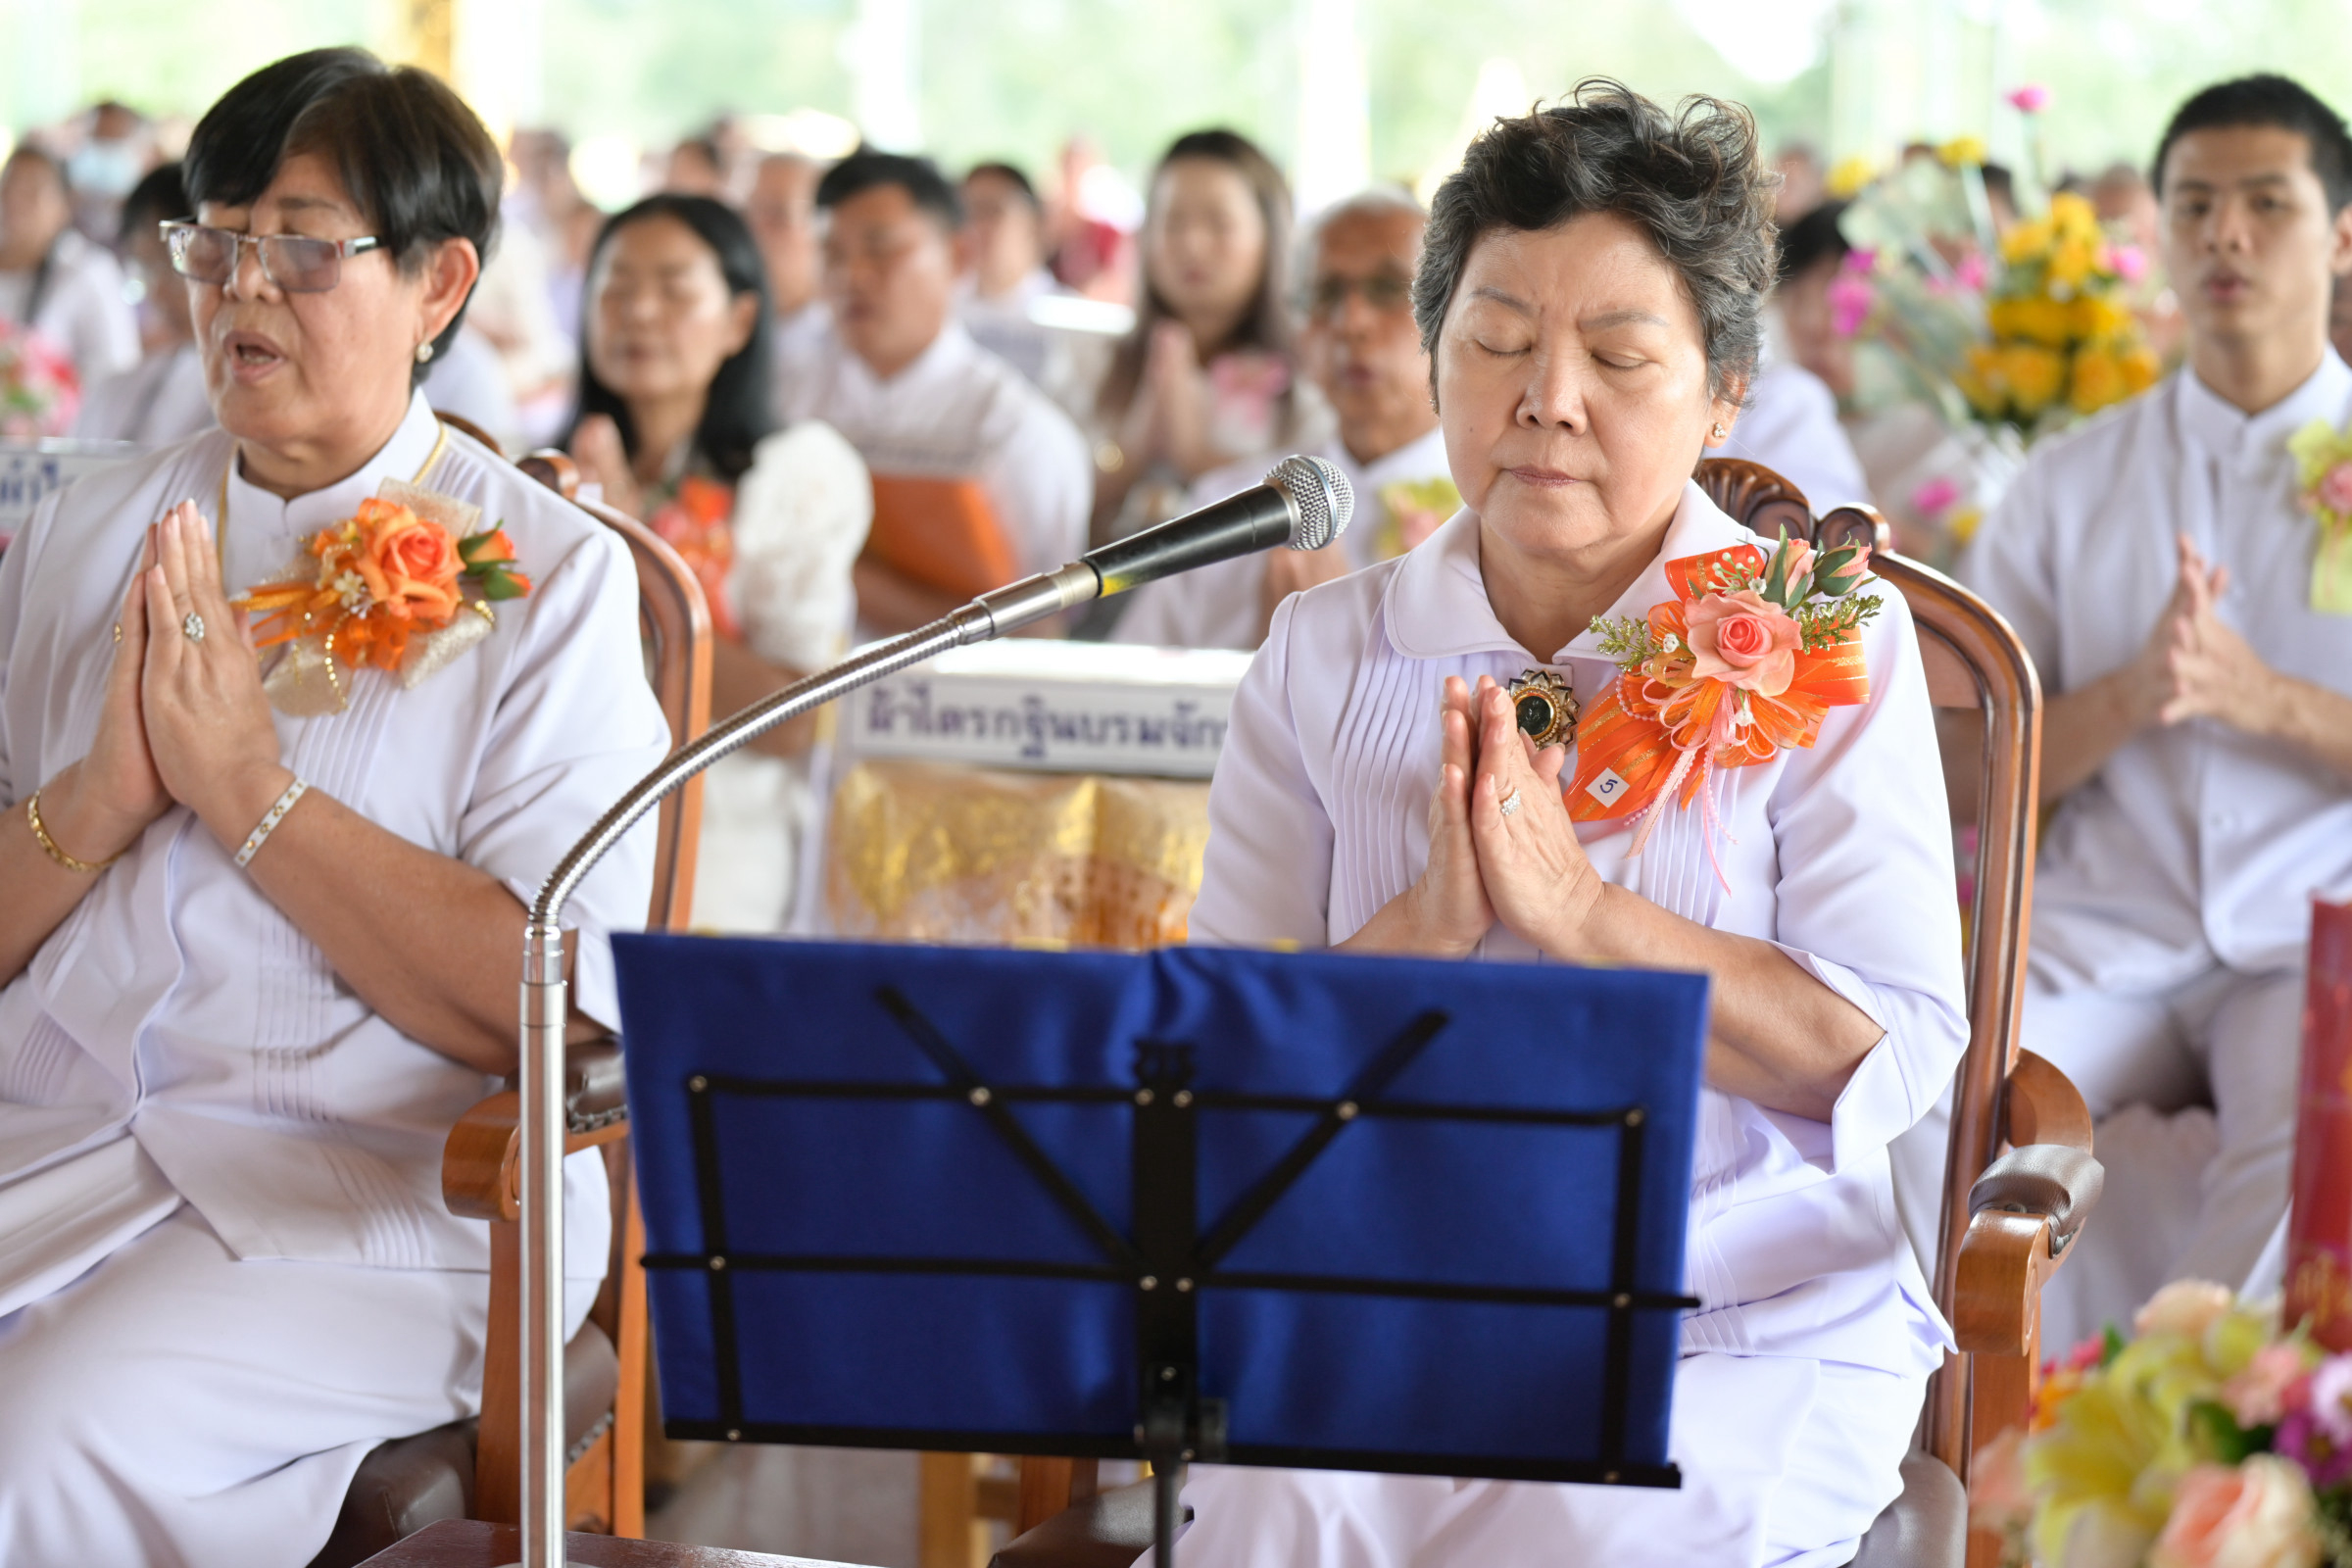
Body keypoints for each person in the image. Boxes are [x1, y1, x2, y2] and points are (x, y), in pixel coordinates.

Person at [1180, 82, 1965, 1567]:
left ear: (1726, 387)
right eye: (1492, 342)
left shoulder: (1821, 638)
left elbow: (1896, 1047)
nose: (1547, 397)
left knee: (1578, 1539)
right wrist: (1427, 924)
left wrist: (1589, 920)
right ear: (1433, 362)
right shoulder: (1327, 654)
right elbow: (1230, 1057)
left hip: (1742, 1318)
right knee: (1258, 1531)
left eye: (1617, 354)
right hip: (1400, 1301)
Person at [0, 48, 669, 1566]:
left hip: (379, 1190)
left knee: (30, 1446)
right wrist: (101, 800)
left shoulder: (554, 583)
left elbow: (546, 1010)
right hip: (55, 1130)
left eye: (301, 247)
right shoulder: (87, 529)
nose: (241, 290)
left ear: (440, 285)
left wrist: (246, 790)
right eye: (213, 239)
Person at [1943, 74, 2352, 1351]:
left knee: (2317, 1152)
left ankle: (2187, 1445)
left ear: (2341, 236)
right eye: (2196, 205)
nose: (2224, 235)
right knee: (1924, 1109)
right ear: (2162, 233)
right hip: (2107, 925)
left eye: (2266, 205)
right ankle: (1955, 1452)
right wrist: (2132, 694)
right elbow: (1973, 774)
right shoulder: (2070, 480)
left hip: (2306, 932)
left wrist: (2265, 699)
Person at [566, 194, 869, 932]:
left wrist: (630, 550)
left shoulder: (794, 473)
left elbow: (795, 720)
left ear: (739, 320)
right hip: (562, 837)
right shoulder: (551, 471)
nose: (638, 312)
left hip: (718, 853)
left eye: (674, 289)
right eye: (617, 286)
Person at [1113, 186, 1451, 651]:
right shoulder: (1224, 511)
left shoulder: (1499, 518)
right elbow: (1125, 700)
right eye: (1325, 293)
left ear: (1453, 312)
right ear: (1298, 328)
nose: (1351, 321)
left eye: (1389, 288)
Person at [774, 149, 1091, 634]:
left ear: (959, 254)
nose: (852, 275)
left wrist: (846, 574)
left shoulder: (1015, 431)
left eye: (880, 249)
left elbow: (1041, 627)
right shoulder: (787, 402)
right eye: (833, 254)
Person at [1089, 129, 1328, 546]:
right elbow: (1051, 511)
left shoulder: (1315, 378)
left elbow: (1317, 518)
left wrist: (1197, 456)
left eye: (1219, 223)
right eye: (1173, 222)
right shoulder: (1093, 360)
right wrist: (1133, 450)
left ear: (1270, 235)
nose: (1193, 245)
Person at [73, 162, 213, 446]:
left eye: (170, 267)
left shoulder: (243, 391)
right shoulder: (116, 391)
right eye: (146, 269)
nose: (158, 291)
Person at [0, 143, 139, 389]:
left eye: (31, 192)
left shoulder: (90, 273)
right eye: (8, 187)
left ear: (64, 206)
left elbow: (115, 373)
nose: (14, 202)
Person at [957, 160, 1059, 385]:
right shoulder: (942, 312)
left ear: (1033, 223)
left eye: (991, 210)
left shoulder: (1067, 320)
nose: (975, 225)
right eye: (966, 211)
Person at [746, 152, 829, 363]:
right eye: (750, 210)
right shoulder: (725, 327)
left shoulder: (847, 349)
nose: (756, 229)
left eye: (778, 215)